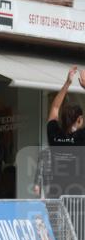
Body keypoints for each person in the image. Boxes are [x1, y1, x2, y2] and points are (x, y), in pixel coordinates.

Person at [34, 67, 85, 197]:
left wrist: (67, 83)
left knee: (55, 218)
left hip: (56, 196)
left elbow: (55, 107)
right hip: (79, 199)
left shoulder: (54, 134)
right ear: (79, 119)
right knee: (76, 219)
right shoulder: (81, 137)